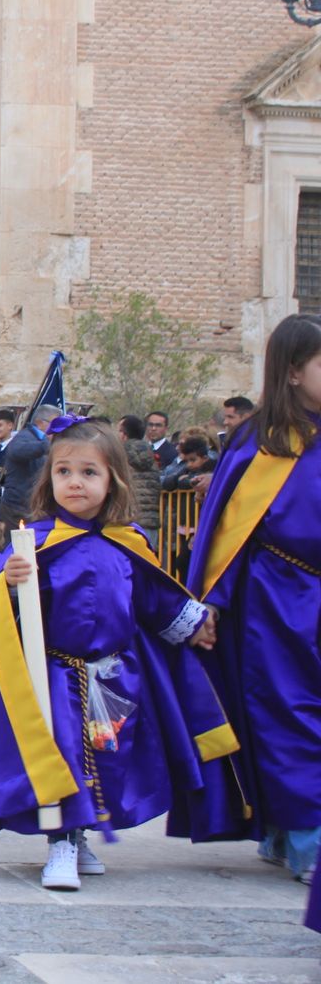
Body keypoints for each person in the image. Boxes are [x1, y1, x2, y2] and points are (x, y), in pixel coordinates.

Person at [0, 417, 242, 891]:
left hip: (116, 676)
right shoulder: (36, 544)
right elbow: (6, 607)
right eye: (64, 472)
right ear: (49, 480)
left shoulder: (128, 542)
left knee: (106, 762)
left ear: (113, 479)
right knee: (64, 758)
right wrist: (9, 584)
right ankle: (61, 844)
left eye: (89, 472)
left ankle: (83, 833)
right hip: (55, 675)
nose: (75, 482)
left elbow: (156, 599)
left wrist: (196, 624)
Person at [188, 313, 321, 891]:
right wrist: (209, 603)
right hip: (277, 597)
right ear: (293, 372)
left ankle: (280, 827)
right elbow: (226, 530)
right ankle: (308, 837)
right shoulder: (263, 441)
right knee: (288, 715)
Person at [0, 405, 60, 526]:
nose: (57, 428)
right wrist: (47, 443)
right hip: (17, 508)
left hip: (35, 507)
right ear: (40, 422)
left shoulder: (42, 440)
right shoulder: (23, 437)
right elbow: (16, 451)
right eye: (54, 424)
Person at [117, 415, 161, 542]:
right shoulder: (149, 454)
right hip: (150, 520)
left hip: (127, 521)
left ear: (124, 434)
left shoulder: (120, 454)